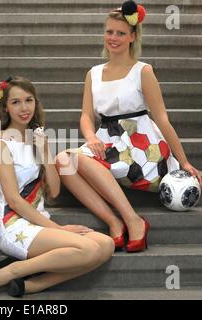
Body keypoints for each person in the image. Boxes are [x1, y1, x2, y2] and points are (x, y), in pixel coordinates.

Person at [55, 0, 202, 253]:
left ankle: (134, 220)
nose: (113, 38)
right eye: (109, 31)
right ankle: (116, 222)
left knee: (76, 161)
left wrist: (185, 162)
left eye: (121, 33)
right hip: (106, 140)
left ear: (132, 37)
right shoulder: (94, 73)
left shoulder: (142, 71)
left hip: (141, 146)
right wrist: (90, 137)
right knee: (62, 161)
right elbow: (86, 116)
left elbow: (162, 118)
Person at [0, 76, 114, 297]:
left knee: (106, 245)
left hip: (40, 221)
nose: (24, 108)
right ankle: (6, 272)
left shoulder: (38, 138)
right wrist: (59, 230)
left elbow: (54, 191)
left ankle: (32, 285)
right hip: (14, 225)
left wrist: (45, 152)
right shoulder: (2, 144)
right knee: (89, 249)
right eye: (15, 102)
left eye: (29, 100)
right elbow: (14, 200)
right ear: (5, 107)